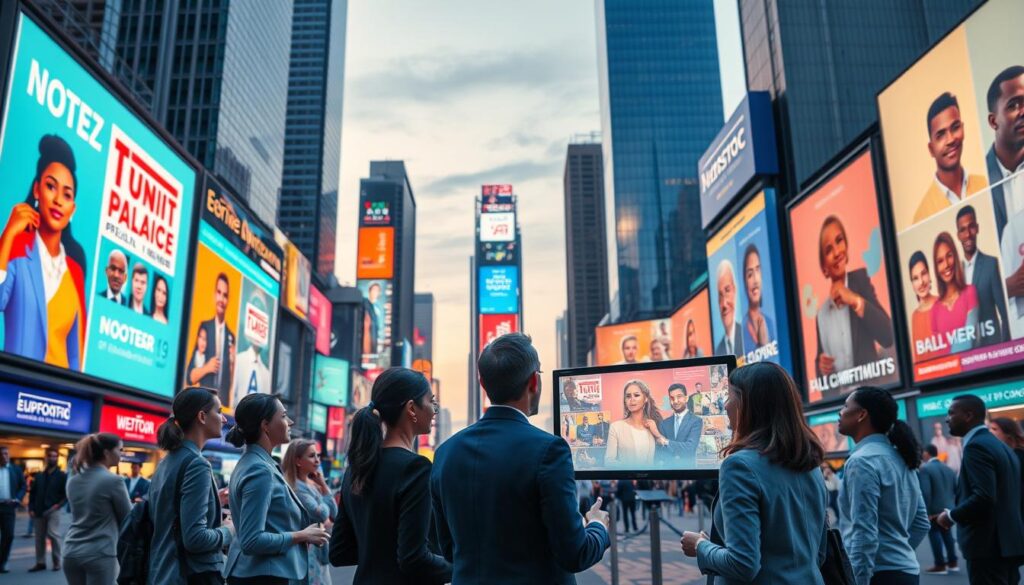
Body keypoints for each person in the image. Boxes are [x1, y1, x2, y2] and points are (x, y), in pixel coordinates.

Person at [431, 333, 610, 584]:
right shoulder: (550, 450)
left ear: (482, 383)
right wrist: (598, 526)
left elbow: (449, 550)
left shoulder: (445, 453)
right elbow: (575, 554)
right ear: (534, 382)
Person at [680, 362, 827, 584]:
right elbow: (819, 552)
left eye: (729, 397)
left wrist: (700, 546)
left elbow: (742, 564)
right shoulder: (810, 463)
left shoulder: (739, 466)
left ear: (747, 405)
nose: (725, 404)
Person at [330, 368, 449, 584]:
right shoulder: (415, 468)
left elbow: (339, 552)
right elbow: (413, 559)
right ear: (411, 408)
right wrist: (459, 567)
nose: (434, 410)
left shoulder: (355, 469)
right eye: (431, 402)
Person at [0, 134, 87, 370]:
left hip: (58, 400)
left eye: (67, 195)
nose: (58, 200)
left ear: (73, 208)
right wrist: (7, 237)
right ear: (37, 189)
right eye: (51, 186)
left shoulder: (75, 272)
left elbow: (75, 357)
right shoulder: (16, 248)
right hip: (11, 393)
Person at [223, 394, 328, 585]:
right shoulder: (259, 469)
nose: (290, 421)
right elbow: (251, 540)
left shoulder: (259, 463)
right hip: (260, 576)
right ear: (265, 425)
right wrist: (301, 535)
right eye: (283, 416)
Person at [837, 386, 930, 585]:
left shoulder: (861, 461)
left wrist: (858, 580)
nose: (840, 411)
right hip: (905, 572)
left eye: (845, 406)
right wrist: (897, 554)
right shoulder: (902, 457)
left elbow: (864, 532)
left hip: (877, 575)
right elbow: (922, 522)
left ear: (861, 415)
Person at [149, 387, 234, 585]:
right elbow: (195, 538)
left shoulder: (169, 460)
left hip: (162, 569)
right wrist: (231, 529)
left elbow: (169, 512)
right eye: (219, 412)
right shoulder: (197, 464)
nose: (224, 420)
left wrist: (213, 500)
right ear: (202, 416)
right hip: (186, 574)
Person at [936, 395, 1024, 585]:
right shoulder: (1001, 446)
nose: (947, 419)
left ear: (968, 415)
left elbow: (984, 497)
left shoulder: (976, 446)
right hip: (1007, 545)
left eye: (951, 413)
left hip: (987, 548)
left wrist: (950, 516)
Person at [814, 216, 895, 377]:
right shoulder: (821, 315)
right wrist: (820, 366)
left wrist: (855, 300)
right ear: (824, 267)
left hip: (869, 391)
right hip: (840, 398)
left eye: (839, 241)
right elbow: (820, 371)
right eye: (829, 250)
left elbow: (888, 337)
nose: (837, 252)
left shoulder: (860, 281)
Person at [985, 66, 1024, 339]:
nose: (1023, 111)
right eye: (1014, 104)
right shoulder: (975, 184)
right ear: (993, 120)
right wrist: (1005, 286)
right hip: (1006, 340)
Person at [62, 433, 131, 585]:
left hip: (71, 551)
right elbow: (127, 518)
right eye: (120, 450)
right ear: (107, 453)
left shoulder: (73, 481)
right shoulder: (114, 480)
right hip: (99, 553)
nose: (121, 454)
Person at [915, 92, 988, 223]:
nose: (950, 139)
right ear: (931, 149)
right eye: (941, 135)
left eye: (955, 128)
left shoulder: (986, 185)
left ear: (963, 129)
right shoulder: (922, 216)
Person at [284, 440, 337, 585]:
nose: (317, 460)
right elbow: (321, 514)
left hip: (319, 550)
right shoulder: (296, 488)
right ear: (298, 461)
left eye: (318, 455)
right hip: (306, 551)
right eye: (312, 456)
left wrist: (324, 486)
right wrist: (323, 503)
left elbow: (334, 511)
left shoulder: (314, 484)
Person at [955, 206, 1009, 348]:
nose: (967, 234)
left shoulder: (991, 265)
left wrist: (1003, 350)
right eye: (962, 230)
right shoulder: (955, 275)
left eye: (971, 227)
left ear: (977, 228)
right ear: (958, 235)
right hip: (967, 358)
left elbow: (1005, 314)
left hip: (992, 350)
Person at [190, 273, 236, 404]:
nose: (221, 299)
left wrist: (232, 365)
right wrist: (207, 368)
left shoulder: (231, 337)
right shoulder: (204, 328)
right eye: (219, 292)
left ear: (228, 300)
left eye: (225, 295)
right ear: (214, 294)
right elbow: (190, 377)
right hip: (202, 406)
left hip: (223, 409)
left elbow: (230, 384)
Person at [931, 232, 980, 353]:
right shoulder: (934, 310)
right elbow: (938, 353)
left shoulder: (970, 292)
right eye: (940, 261)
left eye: (949, 256)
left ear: (955, 257)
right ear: (936, 268)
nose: (946, 264)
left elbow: (970, 339)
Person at [605, 379, 667, 467]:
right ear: (625, 401)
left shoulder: (655, 424)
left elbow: (669, 452)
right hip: (628, 479)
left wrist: (657, 434)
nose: (632, 399)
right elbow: (608, 462)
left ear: (645, 398)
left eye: (636, 395)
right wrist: (634, 469)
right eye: (628, 396)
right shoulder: (616, 427)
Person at [918, 445, 959, 575]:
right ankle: (953, 562)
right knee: (947, 535)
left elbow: (926, 492)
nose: (922, 454)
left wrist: (927, 512)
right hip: (949, 509)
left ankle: (940, 565)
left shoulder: (925, 469)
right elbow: (956, 489)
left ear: (927, 453)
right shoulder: (948, 469)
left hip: (934, 510)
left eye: (923, 452)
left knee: (935, 535)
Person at [28, 447, 66, 572]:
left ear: (57, 458)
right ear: (46, 457)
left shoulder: (61, 476)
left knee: (53, 534)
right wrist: (31, 508)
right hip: (38, 510)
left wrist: (57, 505)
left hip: (54, 509)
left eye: (55, 456)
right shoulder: (39, 476)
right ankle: (40, 562)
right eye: (50, 456)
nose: (52, 458)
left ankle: (57, 562)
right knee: (39, 538)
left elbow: (66, 494)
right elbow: (32, 494)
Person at [907, 252, 945, 363]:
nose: (921, 282)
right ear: (912, 284)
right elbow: (918, 359)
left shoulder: (943, 303)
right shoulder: (915, 317)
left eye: (923, 274)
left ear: (929, 275)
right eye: (915, 278)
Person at [658, 384, 703, 467]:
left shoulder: (696, 421)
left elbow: (690, 448)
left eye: (679, 397)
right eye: (672, 398)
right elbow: (660, 453)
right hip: (668, 472)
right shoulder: (664, 423)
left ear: (686, 398)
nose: (675, 401)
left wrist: (666, 442)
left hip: (687, 474)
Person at [741, 245, 775, 350]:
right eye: (750, 274)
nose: (755, 280)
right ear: (745, 282)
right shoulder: (742, 329)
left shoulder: (769, 323)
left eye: (758, 270)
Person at [0, 446, 26, 574]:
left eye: (6, 454)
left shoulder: (15, 470)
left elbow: (23, 486)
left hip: (9, 507)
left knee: (8, 535)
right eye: (2, 454)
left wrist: (17, 499)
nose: (4, 456)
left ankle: (3, 562)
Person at [714, 260, 744, 356]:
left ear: (734, 290)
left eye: (727, 290)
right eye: (720, 295)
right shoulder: (718, 352)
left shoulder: (746, 336)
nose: (724, 303)